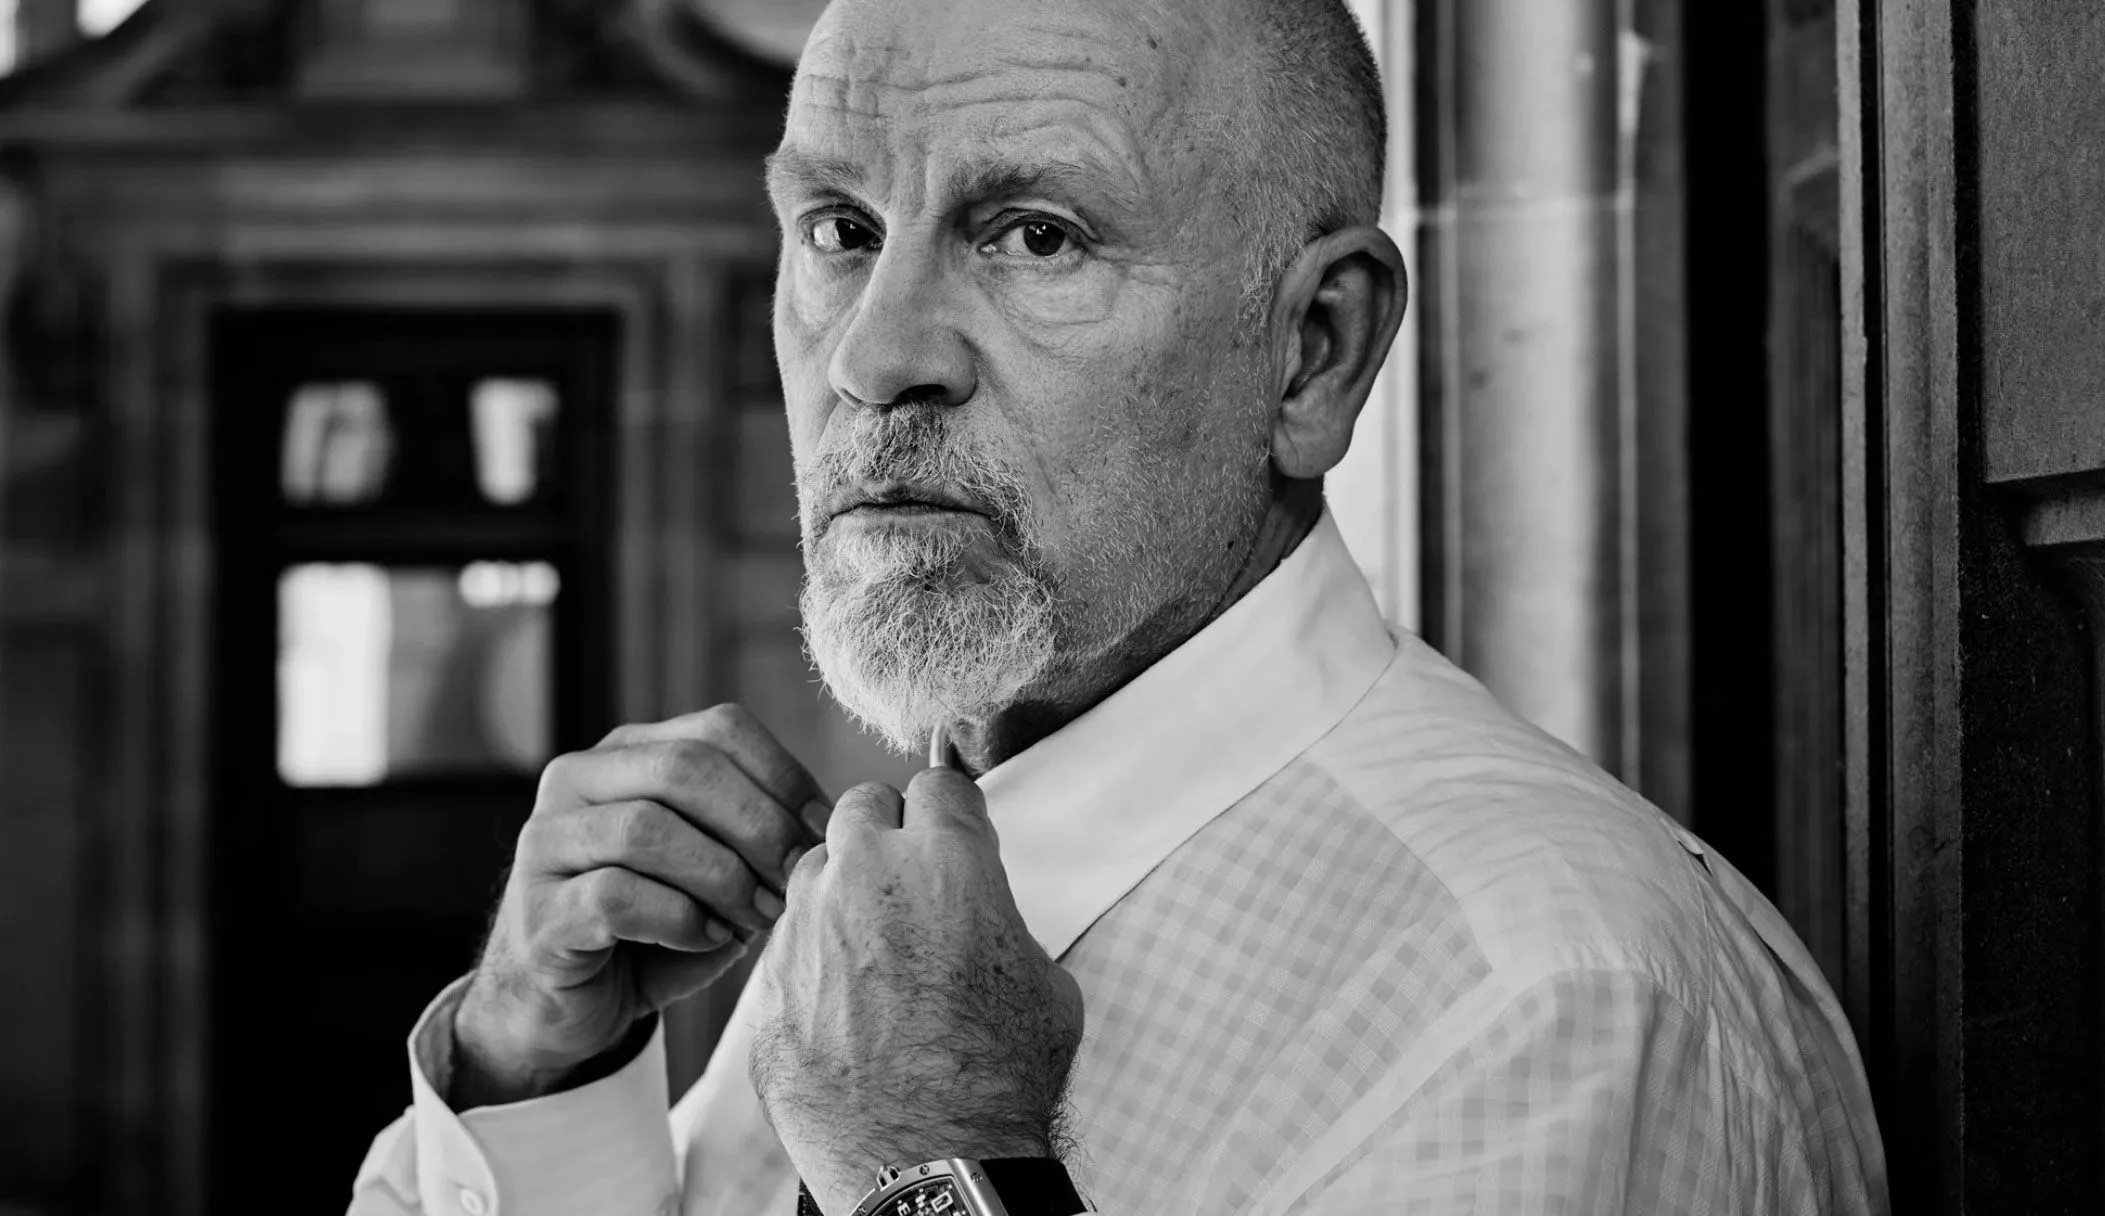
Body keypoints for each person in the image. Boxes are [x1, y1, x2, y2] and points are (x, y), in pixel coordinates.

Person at [350, 0, 1889, 1211]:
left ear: (1311, 356)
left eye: (1035, 237)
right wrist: (535, 1070)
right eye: (839, 233)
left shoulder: (1555, 997)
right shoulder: (896, 900)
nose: (873, 358)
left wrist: (933, 1176)